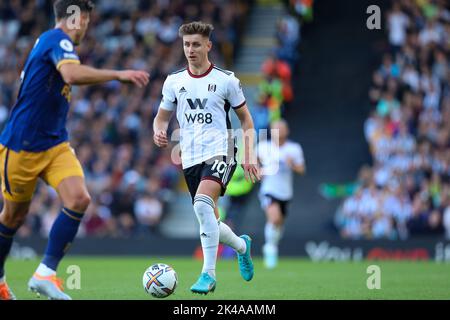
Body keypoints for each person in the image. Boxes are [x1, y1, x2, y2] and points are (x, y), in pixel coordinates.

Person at [0, 0, 149, 300]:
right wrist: (118, 74)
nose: (86, 27)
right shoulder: (57, 39)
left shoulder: (53, 43)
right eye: (86, 20)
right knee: (13, 217)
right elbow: (71, 75)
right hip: (22, 146)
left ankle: (45, 274)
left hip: (55, 144)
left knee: (80, 198)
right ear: (75, 18)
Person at [153, 21, 260, 295]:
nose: (190, 49)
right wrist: (158, 130)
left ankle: (208, 275)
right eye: (187, 44)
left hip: (222, 150)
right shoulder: (174, 82)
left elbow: (246, 119)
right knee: (208, 218)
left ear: (208, 45)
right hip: (189, 158)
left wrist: (248, 154)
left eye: (196, 44)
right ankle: (242, 246)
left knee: (202, 205)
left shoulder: (226, 80)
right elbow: (161, 117)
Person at [257, 119, 305, 269]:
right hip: (269, 189)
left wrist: (292, 165)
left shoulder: (294, 148)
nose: (279, 131)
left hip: (286, 192)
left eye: (282, 128)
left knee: (279, 223)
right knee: (274, 218)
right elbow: (253, 163)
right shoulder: (263, 147)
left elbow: (302, 170)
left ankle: (272, 244)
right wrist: (258, 171)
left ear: (287, 131)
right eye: (276, 128)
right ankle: (270, 248)